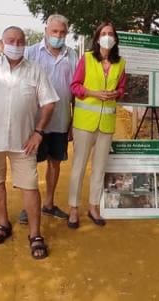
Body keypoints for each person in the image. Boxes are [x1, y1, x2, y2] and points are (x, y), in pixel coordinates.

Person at [0, 26, 59, 259]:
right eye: (11, 40)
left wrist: (39, 132)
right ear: (1, 43)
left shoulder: (35, 71)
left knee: (29, 186)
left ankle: (35, 234)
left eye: (20, 41)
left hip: (24, 141)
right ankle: (3, 225)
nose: (16, 44)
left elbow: (49, 103)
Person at [18, 14, 77, 224]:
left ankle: (49, 204)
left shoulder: (72, 56)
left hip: (61, 120)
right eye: (55, 31)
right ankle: (29, 206)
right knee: (29, 164)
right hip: (35, 123)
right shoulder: (30, 53)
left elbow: (75, 92)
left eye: (62, 32)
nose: (58, 36)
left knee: (55, 163)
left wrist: (72, 122)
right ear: (46, 31)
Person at [67, 22, 126, 228]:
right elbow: (74, 86)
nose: (107, 36)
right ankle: (73, 209)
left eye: (110, 33)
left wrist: (115, 94)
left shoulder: (120, 63)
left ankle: (93, 207)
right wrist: (93, 93)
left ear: (115, 39)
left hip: (106, 123)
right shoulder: (87, 59)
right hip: (84, 123)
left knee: (99, 168)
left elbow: (121, 88)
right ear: (98, 37)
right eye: (104, 33)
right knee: (79, 167)